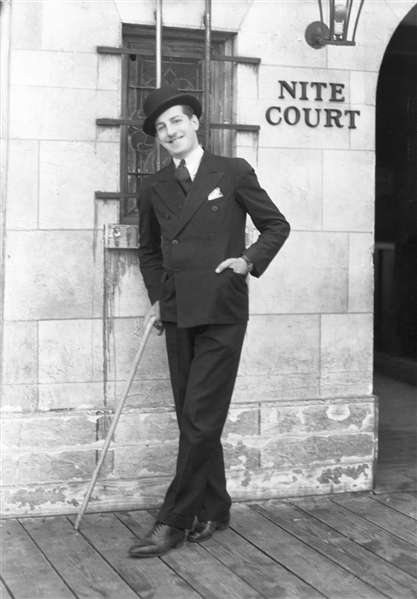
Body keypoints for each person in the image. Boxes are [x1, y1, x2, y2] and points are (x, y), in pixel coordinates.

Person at [129, 86, 290, 558]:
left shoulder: (233, 171)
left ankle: (173, 520)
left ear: (196, 122)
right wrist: (160, 296)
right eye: (161, 128)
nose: (170, 132)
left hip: (221, 310)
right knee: (194, 419)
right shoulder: (154, 185)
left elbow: (276, 224)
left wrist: (248, 260)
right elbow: (150, 251)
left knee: (199, 417)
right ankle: (215, 508)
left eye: (177, 121)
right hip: (178, 311)